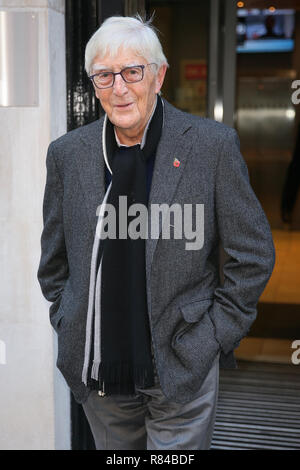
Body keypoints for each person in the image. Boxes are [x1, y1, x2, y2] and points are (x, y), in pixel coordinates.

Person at [37, 15, 275, 450]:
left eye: (133, 71)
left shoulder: (210, 146)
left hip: (181, 365)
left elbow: (254, 255)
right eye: (105, 76)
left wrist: (212, 336)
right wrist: (68, 318)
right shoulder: (68, 155)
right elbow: (54, 261)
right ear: (93, 85)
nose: (120, 88)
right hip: (100, 374)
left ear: (159, 75)